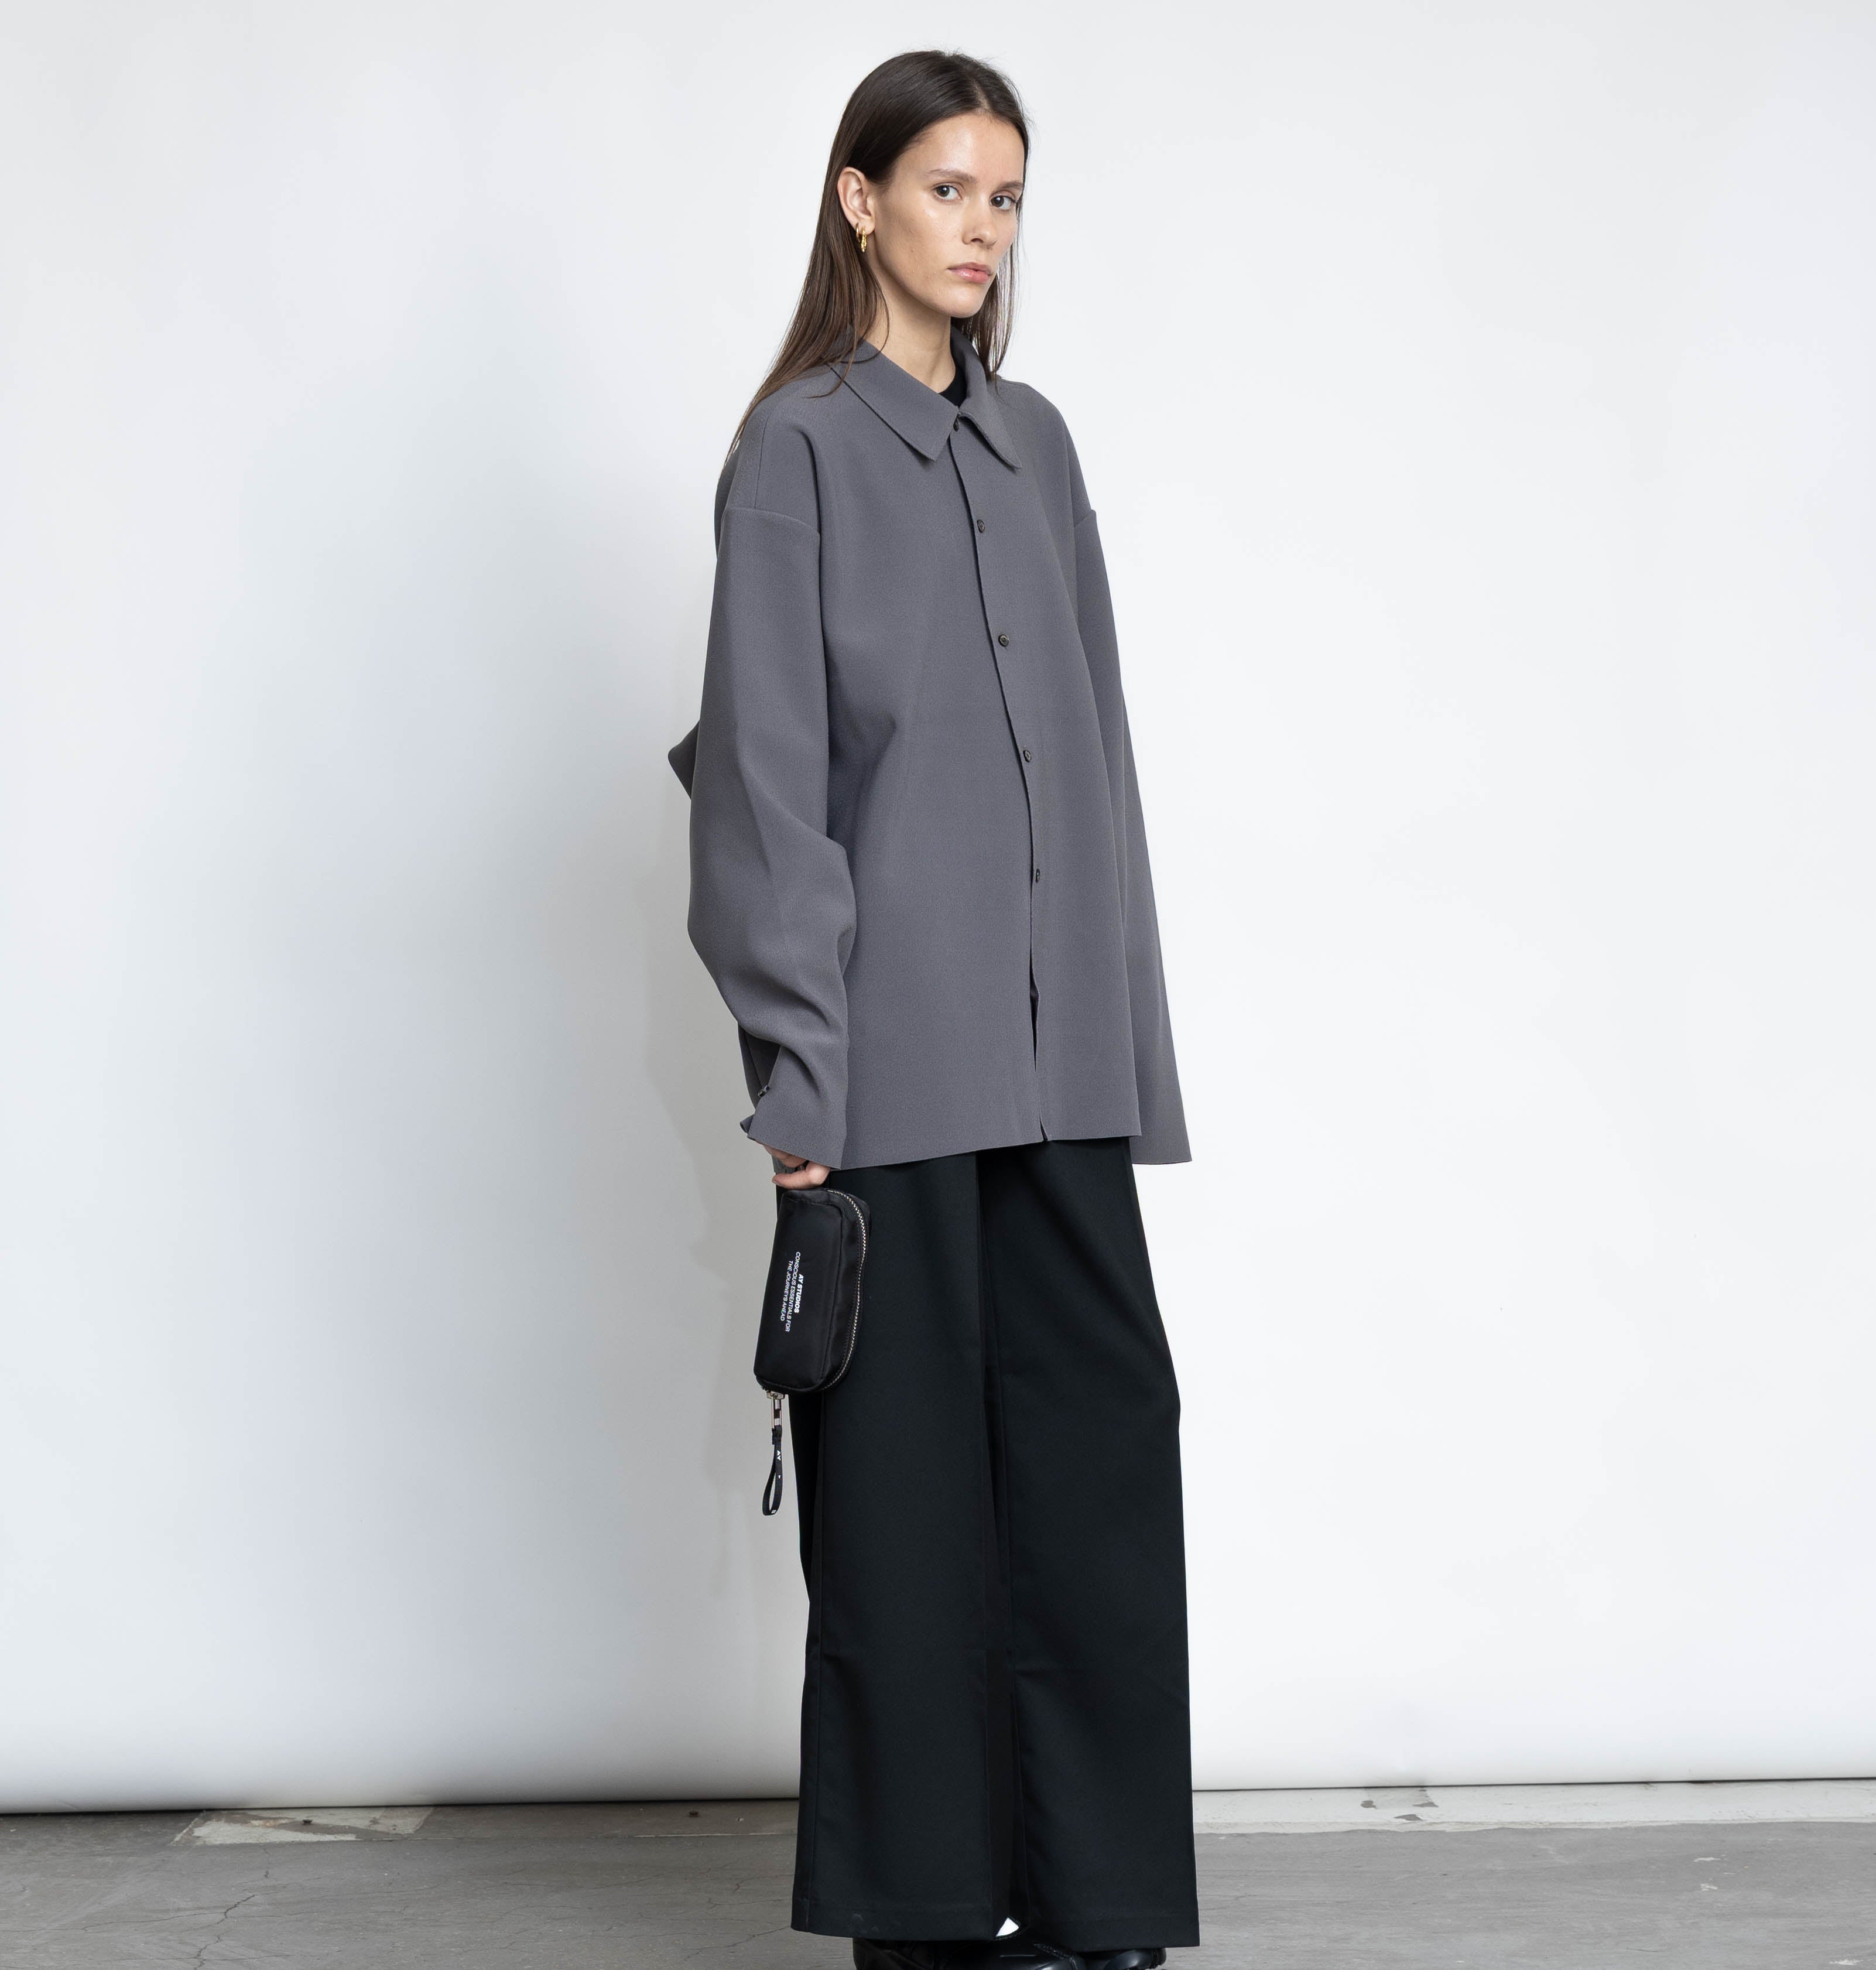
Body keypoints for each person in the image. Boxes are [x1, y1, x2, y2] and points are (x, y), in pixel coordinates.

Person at [669, 49, 1196, 1970]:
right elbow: (765, 782)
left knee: (1098, 1469)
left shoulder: (1036, 443)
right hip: (888, 1067)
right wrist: (799, 1070)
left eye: (1006, 198)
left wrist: (1128, 1044)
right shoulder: (797, 452)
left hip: (1057, 1065)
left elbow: (1099, 757)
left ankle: (1098, 1896)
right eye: (949, 189)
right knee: (901, 1515)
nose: (981, 230)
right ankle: (921, 1912)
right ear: (859, 198)